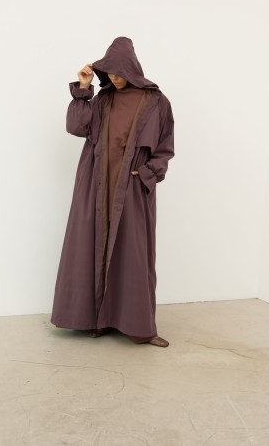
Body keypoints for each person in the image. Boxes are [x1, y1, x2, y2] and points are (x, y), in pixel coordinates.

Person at [50, 36, 175, 347]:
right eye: (110, 74)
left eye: (119, 73)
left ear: (131, 70)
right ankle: (95, 320)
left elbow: (165, 146)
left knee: (133, 253)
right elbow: (76, 128)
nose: (115, 79)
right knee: (92, 245)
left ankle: (138, 327)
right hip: (96, 184)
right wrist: (84, 88)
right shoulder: (102, 100)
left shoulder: (156, 102)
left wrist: (147, 173)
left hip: (132, 187)